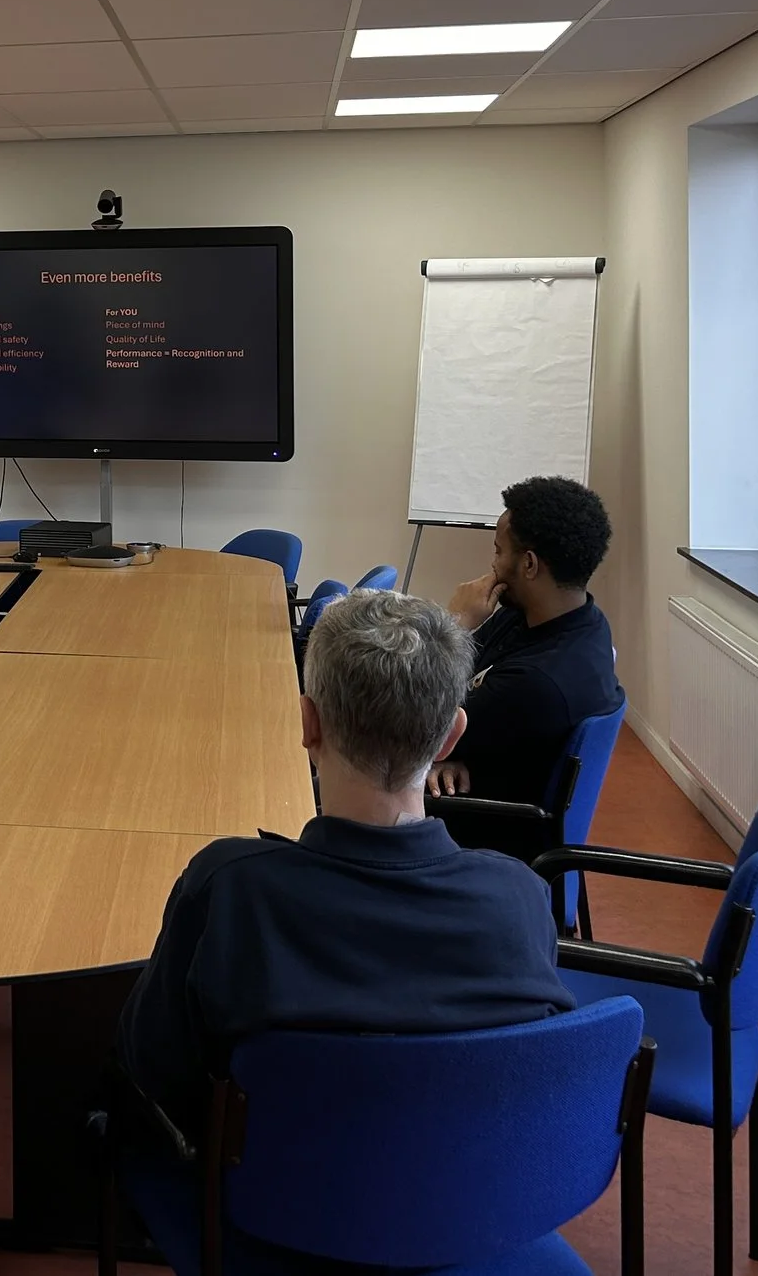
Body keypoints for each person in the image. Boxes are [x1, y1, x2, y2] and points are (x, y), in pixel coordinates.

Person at [118, 590, 570, 1132]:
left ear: (309, 724)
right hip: (467, 1206)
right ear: (451, 735)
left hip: (260, 1205)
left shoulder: (229, 891)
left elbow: (150, 1068)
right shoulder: (519, 898)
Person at [431, 475, 624, 808]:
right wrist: (457, 753)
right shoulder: (558, 619)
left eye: (498, 550)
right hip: (479, 782)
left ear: (529, 564)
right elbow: (461, 684)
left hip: (485, 824)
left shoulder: (539, 681)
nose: (493, 563)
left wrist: (454, 624)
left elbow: (411, 730)